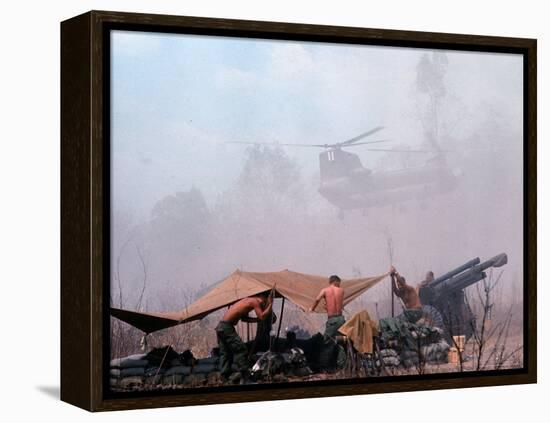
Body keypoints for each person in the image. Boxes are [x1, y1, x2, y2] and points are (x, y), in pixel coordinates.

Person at [215, 292, 273, 383]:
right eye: (264, 301)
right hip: (227, 327)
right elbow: (262, 316)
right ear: (261, 296)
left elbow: (244, 319)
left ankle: (224, 376)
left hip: (221, 327)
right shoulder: (254, 301)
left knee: (226, 353)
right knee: (241, 349)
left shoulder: (247, 300)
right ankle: (245, 374)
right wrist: (270, 304)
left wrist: (256, 320)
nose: (262, 303)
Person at [310, 275, 346, 369]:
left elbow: (317, 299)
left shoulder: (325, 290)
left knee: (326, 342)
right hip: (341, 319)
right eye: (339, 283)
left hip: (332, 320)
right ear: (336, 282)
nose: (339, 285)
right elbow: (337, 303)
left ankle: (324, 366)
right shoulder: (341, 290)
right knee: (340, 342)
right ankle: (341, 366)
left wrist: (312, 309)